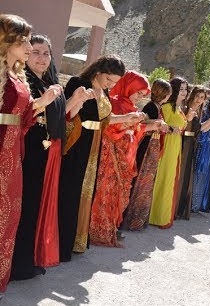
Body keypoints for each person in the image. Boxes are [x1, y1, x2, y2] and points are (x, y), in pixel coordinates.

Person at [11, 34, 90, 280]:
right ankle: (17, 264)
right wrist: (46, 102)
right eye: (36, 52)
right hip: (27, 149)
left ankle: (26, 259)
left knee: (34, 207)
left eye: (46, 53)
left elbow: (56, 118)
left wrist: (74, 101)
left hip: (44, 152)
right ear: (25, 53)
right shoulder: (24, 82)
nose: (42, 58)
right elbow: (25, 114)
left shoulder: (46, 82)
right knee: (25, 207)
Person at [0, 14, 61, 298]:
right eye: (24, 41)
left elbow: (23, 117)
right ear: (7, 40)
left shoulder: (17, 75)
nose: (28, 46)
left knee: (9, 214)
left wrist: (43, 102)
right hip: (2, 147)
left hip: (14, 152)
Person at [58, 55, 131, 261]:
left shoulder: (104, 91)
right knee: (71, 190)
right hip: (78, 144)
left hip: (95, 144)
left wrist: (125, 118)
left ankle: (77, 240)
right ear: (98, 71)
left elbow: (103, 120)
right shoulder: (77, 83)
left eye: (114, 83)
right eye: (109, 80)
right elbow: (66, 114)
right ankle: (62, 242)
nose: (110, 85)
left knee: (87, 192)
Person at [89, 71, 161, 247]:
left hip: (127, 154)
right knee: (107, 190)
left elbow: (135, 131)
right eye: (138, 93)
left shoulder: (132, 107)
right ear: (129, 87)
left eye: (142, 95)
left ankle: (112, 227)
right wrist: (127, 123)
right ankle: (99, 230)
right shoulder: (113, 103)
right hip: (112, 153)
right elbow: (108, 128)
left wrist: (149, 126)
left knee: (120, 193)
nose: (139, 97)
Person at [123, 79, 170, 230]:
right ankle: (132, 219)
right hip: (147, 146)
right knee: (141, 179)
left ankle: (138, 218)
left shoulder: (156, 106)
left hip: (152, 146)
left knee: (147, 181)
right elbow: (143, 124)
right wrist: (157, 124)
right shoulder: (151, 106)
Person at [149, 77, 188, 229]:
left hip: (175, 146)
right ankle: (155, 214)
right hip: (167, 145)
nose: (184, 92)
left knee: (170, 179)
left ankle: (162, 215)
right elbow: (162, 125)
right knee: (163, 177)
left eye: (186, 89)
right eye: (182, 89)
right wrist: (173, 128)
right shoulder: (167, 107)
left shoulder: (179, 108)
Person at [176, 86, 207, 219]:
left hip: (191, 144)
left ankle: (181, 208)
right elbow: (181, 125)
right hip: (182, 141)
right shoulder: (184, 107)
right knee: (179, 174)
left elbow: (199, 129)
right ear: (192, 95)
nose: (199, 100)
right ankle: (175, 207)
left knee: (186, 175)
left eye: (202, 98)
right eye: (197, 96)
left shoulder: (200, 112)